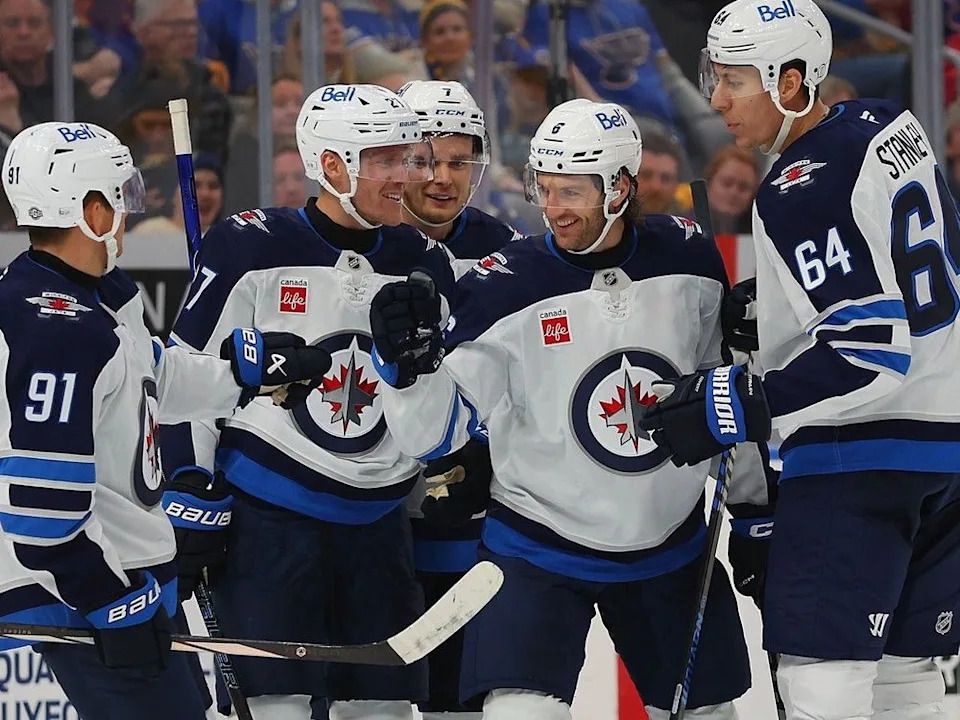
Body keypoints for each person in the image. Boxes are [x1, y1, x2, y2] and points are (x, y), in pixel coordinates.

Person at [367, 98, 774, 720]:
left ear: (621, 187)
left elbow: (723, 393)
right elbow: (433, 434)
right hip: (538, 548)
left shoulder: (687, 257)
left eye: (573, 193)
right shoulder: (504, 285)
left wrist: (753, 509)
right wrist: (404, 371)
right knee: (518, 714)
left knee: (712, 714)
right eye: (545, 189)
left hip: (669, 544)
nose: (554, 209)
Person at [639, 1, 960, 718]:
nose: (716, 99)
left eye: (733, 80)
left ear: (790, 82)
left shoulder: (796, 187)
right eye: (712, 77)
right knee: (908, 680)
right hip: (945, 451)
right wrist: (785, 307)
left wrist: (736, 403)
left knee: (819, 682)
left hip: (859, 461)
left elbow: (868, 351)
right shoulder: (888, 126)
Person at [0, 121, 330, 719]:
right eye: (119, 197)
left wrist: (245, 374)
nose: (129, 211)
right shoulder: (58, 333)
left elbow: (152, 380)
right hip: (82, 588)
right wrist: (108, 602)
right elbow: (42, 513)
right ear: (89, 210)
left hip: (127, 574)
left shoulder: (90, 295)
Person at [160, 83, 455, 720]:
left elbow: (442, 393)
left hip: (379, 529)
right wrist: (188, 485)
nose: (406, 175)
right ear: (331, 166)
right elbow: (181, 379)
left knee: (380, 710)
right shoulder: (250, 246)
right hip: (269, 525)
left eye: (408, 155)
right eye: (385, 159)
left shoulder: (423, 260)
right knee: (280, 709)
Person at [396, 78, 520, 720]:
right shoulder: (354, 246)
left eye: (459, 160)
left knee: (459, 702)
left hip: (474, 529)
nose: (442, 178)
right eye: (424, 160)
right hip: (368, 530)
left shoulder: (511, 256)